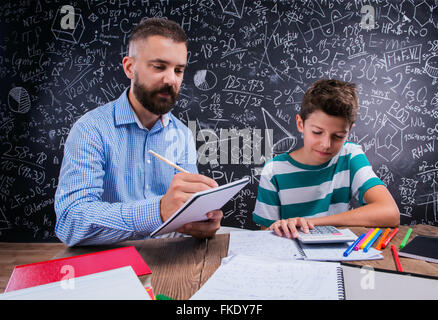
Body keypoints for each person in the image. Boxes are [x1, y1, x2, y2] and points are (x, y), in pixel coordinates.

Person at [54, 18, 222, 246]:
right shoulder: (91, 130)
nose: (171, 79)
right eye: (159, 67)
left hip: (168, 259)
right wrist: (158, 211)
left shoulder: (182, 135)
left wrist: (199, 220)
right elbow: (71, 222)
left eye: (179, 70)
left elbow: (184, 211)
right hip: (107, 266)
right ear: (130, 68)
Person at [252, 79, 400, 239]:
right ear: (300, 124)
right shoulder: (273, 170)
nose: (326, 145)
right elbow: (265, 237)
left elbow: (390, 212)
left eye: (338, 136)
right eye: (317, 132)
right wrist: (278, 227)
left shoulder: (349, 155)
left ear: (349, 130)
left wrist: (310, 222)